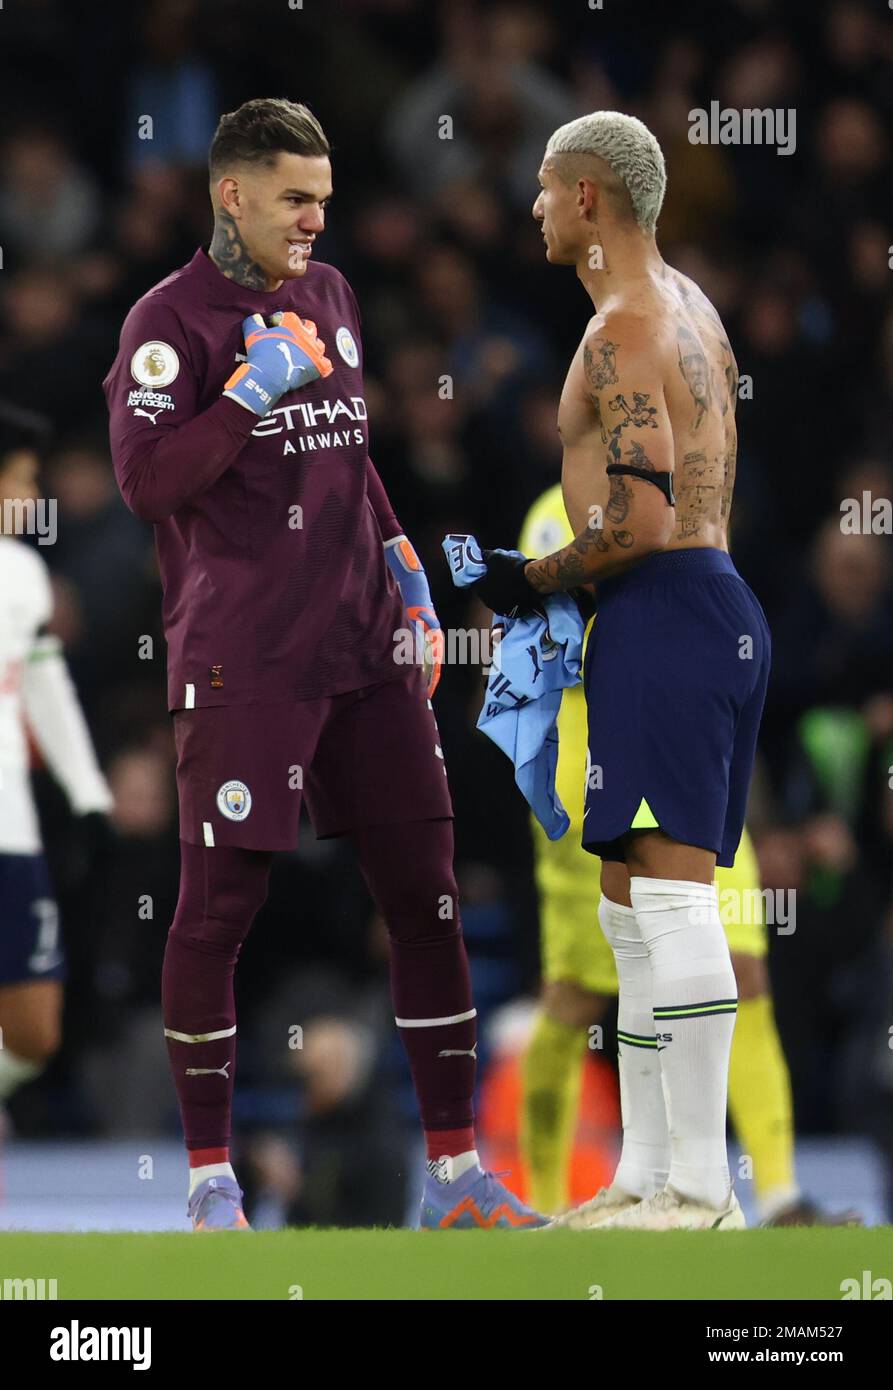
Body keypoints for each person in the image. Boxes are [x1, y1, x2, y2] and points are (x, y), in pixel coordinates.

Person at [103, 97, 543, 1231]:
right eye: (294, 200)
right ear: (229, 193)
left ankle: (454, 1176)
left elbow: (346, 450)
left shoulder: (331, 295)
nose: (313, 222)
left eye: (325, 203)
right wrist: (248, 396)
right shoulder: (169, 325)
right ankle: (209, 1185)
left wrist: (400, 557)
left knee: (427, 901)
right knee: (219, 911)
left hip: (362, 650)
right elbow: (146, 482)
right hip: (245, 659)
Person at [468, 111, 771, 1230]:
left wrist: (532, 576)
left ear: (588, 195)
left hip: (665, 610)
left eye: (545, 191)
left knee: (675, 901)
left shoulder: (620, 332)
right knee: (630, 905)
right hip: (692, 609)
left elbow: (637, 517)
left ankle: (699, 1187)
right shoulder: (685, 304)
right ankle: (646, 1175)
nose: (534, 209)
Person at [518, 484, 853, 1228]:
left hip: (687, 739)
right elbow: (539, 631)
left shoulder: (687, 490)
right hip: (589, 753)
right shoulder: (557, 511)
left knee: (745, 967)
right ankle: (546, 1201)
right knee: (578, 995)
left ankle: (775, 1193)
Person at [0, 403, 113, 1146]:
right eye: (21, 480)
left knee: (36, 1030)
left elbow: (46, 688)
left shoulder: (24, 573)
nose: (31, 498)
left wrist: (89, 797)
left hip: (12, 829)